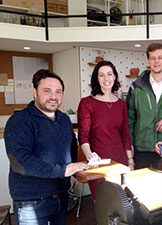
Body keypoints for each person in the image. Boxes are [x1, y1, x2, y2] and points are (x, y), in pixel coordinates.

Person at [4, 69, 89, 225]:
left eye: (58, 92)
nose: (53, 97)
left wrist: (71, 174)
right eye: (47, 91)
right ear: (35, 92)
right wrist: (63, 171)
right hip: (31, 202)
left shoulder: (63, 120)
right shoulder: (19, 121)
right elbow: (20, 162)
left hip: (60, 196)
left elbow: (71, 148)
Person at [77, 60, 133, 200]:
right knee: (103, 204)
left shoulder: (121, 104)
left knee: (123, 204)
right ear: (97, 78)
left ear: (114, 77)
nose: (106, 78)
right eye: (101, 75)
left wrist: (130, 161)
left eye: (109, 74)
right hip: (98, 162)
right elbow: (83, 135)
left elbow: (126, 135)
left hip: (120, 161)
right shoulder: (87, 103)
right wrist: (89, 155)